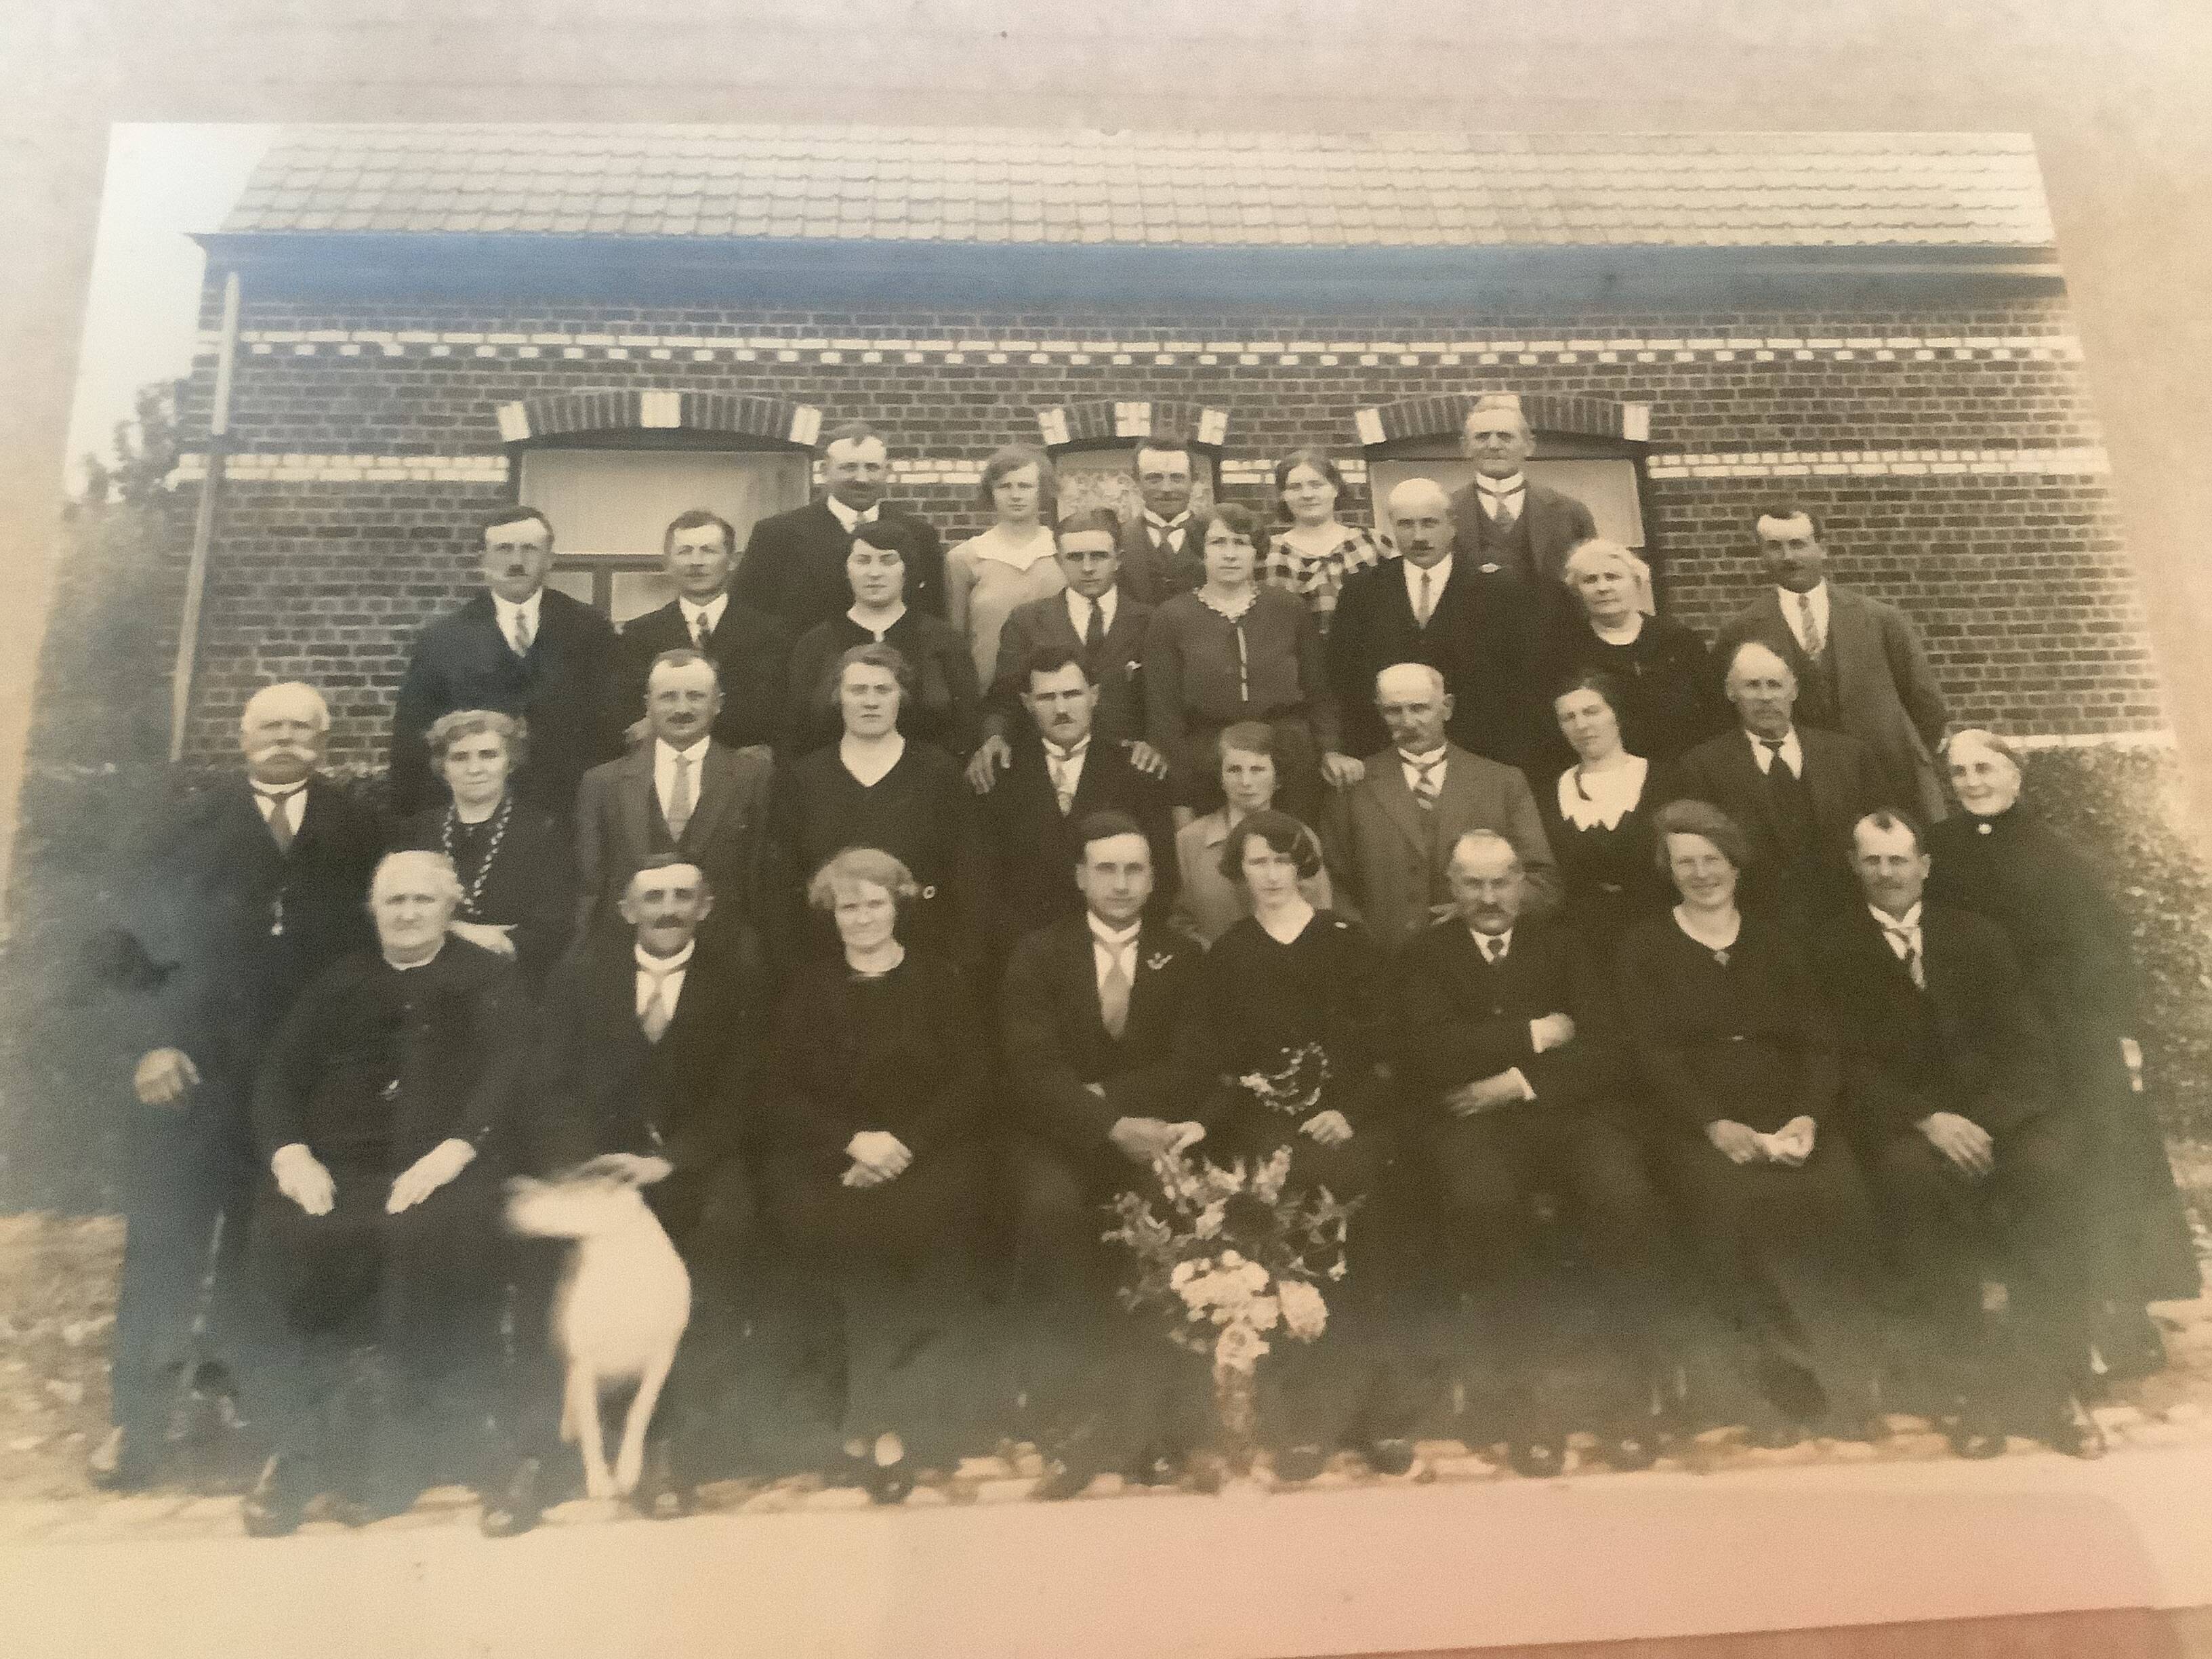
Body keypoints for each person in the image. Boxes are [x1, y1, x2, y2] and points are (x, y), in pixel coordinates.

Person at [94, 682, 381, 1492]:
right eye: (271, 728)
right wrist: (149, 1043)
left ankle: (265, 1421)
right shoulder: (184, 823)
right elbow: (123, 946)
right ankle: (136, 1426)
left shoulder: (360, 828)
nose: (286, 740)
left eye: (302, 728)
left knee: (277, 1250)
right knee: (168, 1248)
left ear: (323, 741)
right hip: (192, 1077)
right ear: (244, 738)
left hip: (299, 1087)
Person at [239, 851, 534, 1537]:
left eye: (422, 902)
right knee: (285, 1238)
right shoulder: (340, 981)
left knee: (425, 1242)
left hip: (445, 1166)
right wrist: (292, 1156)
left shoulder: (487, 977)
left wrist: (455, 1151)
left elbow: (508, 1073)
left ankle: (484, 1458)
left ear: (449, 907)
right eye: (393, 902)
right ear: (373, 910)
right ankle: (297, 1454)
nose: (406, 914)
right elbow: (278, 1078)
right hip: (339, 1171)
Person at [1816, 812, 2106, 1458]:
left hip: (1999, 1115)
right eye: (1873, 861)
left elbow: (2026, 1045)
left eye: (1899, 860)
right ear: (1854, 867)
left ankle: (2053, 1385)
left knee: (2053, 1173)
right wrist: (1928, 1119)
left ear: (1925, 865)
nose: (1887, 874)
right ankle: (1969, 1389)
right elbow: (1839, 1061)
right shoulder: (1830, 949)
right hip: (1904, 1123)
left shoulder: (1980, 937)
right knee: (1915, 1185)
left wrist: (1984, 1123)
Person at [1391, 830, 1675, 1477]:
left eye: (1501, 883)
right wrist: (1534, 1032)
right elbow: (1427, 1052)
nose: (1489, 898)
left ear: (1521, 883)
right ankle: (1521, 1407)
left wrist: (1513, 1080)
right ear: (1452, 888)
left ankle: (1626, 1403)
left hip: (1568, 1113)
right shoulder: (1424, 955)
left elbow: (1607, 1048)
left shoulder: (1565, 946)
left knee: (1625, 1198)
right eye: (1473, 884)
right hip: (1472, 1127)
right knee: (1483, 1207)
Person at [1616, 802, 1891, 1447]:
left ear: (1736, 866)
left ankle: (1844, 1384)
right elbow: (1651, 1053)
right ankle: (1766, 1390)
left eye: (1713, 860)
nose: (1702, 873)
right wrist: (1714, 1124)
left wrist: (1807, 1117)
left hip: (1792, 1115)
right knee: (1730, 1206)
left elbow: (1823, 1040)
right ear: (1669, 871)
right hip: (1699, 1124)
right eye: (1687, 863)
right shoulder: (1646, 946)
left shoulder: (1778, 938)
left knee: (1838, 1196)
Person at [1926, 729, 2198, 1374]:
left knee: (2101, 1161)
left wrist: (2112, 1035)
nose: (1972, 782)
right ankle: (2028, 1306)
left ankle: (2122, 1309)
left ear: (2015, 775)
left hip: (2068, 1037)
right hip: (1982, 1038)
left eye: (1984, 768)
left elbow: (2103, 954)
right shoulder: (1938, 851)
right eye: (1959, 772)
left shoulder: (2057, 856)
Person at [530, 857, 777, 1511]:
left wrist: (678, 1159)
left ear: (705, 906)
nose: (668, 909)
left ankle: (678, 1445)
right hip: (602, 1168)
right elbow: (550, 1086)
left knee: (729, 1232)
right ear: (626, 910)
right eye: (654, 897)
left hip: (694, 1162)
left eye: (682, 896)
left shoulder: (738, 983)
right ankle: (561, 1443)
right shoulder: (579, 977)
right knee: (557, 1253)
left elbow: (745, 1092)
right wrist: (595, 1167)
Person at [758, 848, 994, 1504]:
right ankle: (874, 1426)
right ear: (831, 915)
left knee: (920, 1224)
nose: (861, 918)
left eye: (874, 904)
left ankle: (880, 1428)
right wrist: (851, 1144)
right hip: (833, 1157)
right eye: (848, 907)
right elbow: (780, 1091)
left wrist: (902, 1144)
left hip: (926, 1152)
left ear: (900, 906)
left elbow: (972, 1081)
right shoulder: (805, 990)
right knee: (836, 1232)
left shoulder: (943, 981)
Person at [1179, 811, 1410, 1479]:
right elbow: (1222, 1063)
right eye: (1258, 862)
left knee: (1360, 1215)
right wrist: (1204, 1120)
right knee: (1270, 1222)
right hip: (1264, 1127)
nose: (1273, 875)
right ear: (1239, 871)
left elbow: (1386, 1049)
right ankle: (1306, 1421)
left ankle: (1378, 1417)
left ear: (1303, 866)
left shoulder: (1348, 940)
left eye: (1284, 861)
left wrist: (1349, 1110)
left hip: (1349, 1118)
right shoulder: (1230, 954)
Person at [1000, 813, 1208, 1494]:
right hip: (1057, 1137)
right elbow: (1029, 1069)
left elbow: (1190, 1066)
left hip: (1150, 1134)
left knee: (1160, 1231)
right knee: (1050, 1216)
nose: (1121, 884)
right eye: (1107, 869)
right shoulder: (1037, 954)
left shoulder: (1183, 957)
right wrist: (1105, 1122)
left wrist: (1114, 1101)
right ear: (1081, 876)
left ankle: (1146, 1427)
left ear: (1153, 878)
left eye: (1135, 870)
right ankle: (1069, 1425)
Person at [1715, 504, 1950, 823]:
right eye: (1775, 547)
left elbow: (1927, 705)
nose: (1788, 557)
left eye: (1798, 544)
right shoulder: (1741, 630)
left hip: (1887, 779)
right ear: (1761, 555)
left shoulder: (1880, 619)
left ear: (1821, 548)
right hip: (1800, 790)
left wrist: (1903, 756)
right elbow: (1729, 715)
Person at [389, 506, 623, 818]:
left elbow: (611, 732)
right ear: (483, 561)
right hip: (474, 815)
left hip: (568, 812)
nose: (516, 562)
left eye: (529, 550)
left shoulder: (590, 630)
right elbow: (412, 742)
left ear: (550, 559)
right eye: (503, 550)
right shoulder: (443, 639)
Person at [771, 644, 989, 975]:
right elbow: (782, 881)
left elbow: (968, 874)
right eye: (857, 690)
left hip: (924, 959)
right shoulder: (803, 778)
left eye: (883, 690)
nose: (870, 702)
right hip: (825, 964)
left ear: (900, 697)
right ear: (837, 697)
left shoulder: (939, 772)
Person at [1143, 501, 1356, 826]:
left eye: (1240, 544)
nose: (1230, 554)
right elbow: (1164, 712)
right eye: (1218, 543)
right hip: (1209, 759)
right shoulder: (1171, 617)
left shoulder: (1288, 608)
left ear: (1256, 552)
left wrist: (1329, 749)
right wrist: (1182, 788)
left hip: (1287, 755)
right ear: (1201, 551)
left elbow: (1318, 691)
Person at [1326, 663, 1559, 955]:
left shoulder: (1501, 782)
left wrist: (1480, 905)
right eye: (1393, 711)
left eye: (1420, 708)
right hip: (1383, 962)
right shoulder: (1354, 787)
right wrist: (1362, 940)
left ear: (1446, 707)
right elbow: (1330, 882)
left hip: (1476, 958)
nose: (1408, 722)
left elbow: (1543, 882)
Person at [1669, 640, 1891, 935]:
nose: (1765, 697)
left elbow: (1884, 833)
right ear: (1730, 692)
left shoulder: (1849, 756)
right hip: (1757, 928)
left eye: (1774, 685)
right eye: (1751, 686)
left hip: (1848, 923)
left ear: (1794, 690)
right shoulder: (1702, 768)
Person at [977, 649, 1176, 954]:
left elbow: (1162, 875)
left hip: (1117, 947)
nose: (1061, 709)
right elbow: (984, 883)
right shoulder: (1000, 776)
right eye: (1046, 698)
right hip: (1024, 950)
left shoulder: (1138, 772)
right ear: (1027, 703)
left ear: (1094, 696)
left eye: (1072, 695)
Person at [1328, 476, 1535, 767]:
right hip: (1384, 753)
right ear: (1392, 527)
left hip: (1480, 751)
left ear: (1452, 525)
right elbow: (1342, 679)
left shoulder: (1497, 591)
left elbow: (1519, 679)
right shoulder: (1362, 592)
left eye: (1429, 523)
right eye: (1406, 525)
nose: (1418, 536)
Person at [572, 651, 773, 945]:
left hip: (725, 952)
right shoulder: (602, 783)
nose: (682, 709)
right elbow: (591, 886)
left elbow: (760, 880)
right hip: (627, 953)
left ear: (718, 703)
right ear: (648, 706)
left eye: (696, 696)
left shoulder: (753, 777)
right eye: (668, 697)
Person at [390, 709, 575, 989]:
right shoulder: (418, 832)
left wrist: (441, 929)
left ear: (510, 762)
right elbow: (394, 915)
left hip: (514, 985)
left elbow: (552, 929)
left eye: (488, 755)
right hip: (428, 985)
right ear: (443, 767)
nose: (474, 769)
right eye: (460, 757)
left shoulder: (541, 830)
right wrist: (475, 933)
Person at [972, 508, 1155, 777]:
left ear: (1119, 560)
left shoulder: (1150, 620)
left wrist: (1154, 744)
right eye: (1075, 557)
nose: (1088, 568)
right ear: (1059, 561)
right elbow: (1004, 698)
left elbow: (1164, 702)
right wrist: (994, 737)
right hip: (1049, 766)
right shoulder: (1027, 621)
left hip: (1128, 766)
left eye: (1099, 556)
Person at [786, 518, 981, 758]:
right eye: (863, 561)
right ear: (846, 570)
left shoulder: (943, 640)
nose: (875, 573)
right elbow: (797, 731)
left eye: (888, 561)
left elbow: (967, 724)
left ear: (906, 569)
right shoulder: (816, 644)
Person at [734, 419, 947, 632]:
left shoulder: (919, 535)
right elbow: (748, 618)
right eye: (849, 468)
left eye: (872, 468)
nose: (862, 479)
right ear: (825, 471)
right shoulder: (777, 535)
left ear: (887, 471)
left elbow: (934, 616)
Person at [612, 509, 793, 755]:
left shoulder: (770, 632)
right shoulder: (640, 634)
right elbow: (630, 714)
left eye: (708, 551)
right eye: (685, 551)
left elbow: (770, 711)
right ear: (667, 563)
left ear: (731, 561)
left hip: (742, 769)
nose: (696, 562)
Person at [1540, 539, 1726, 767]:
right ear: (1578, 591)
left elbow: (1716, 713)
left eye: (1613, 577)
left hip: (1684, 773)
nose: (1603, 587)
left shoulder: (1678, 639)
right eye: (1590, 580)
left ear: (1637, 583)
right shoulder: (1564, 649)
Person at [1540, 671, 1676, 964]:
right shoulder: (1551, 792)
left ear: (1617, 714)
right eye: (1568, 717)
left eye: (1592, 712)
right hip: (1577, 948)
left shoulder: (1665, 780)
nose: (1582, 725)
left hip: (1658, 939)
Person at [1172, 722, 1336, 946]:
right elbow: (1182, 922)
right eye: (1234, 770)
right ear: (1221, 777)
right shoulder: (1190, 840)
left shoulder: (1301, 836)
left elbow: (1319, 918)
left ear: (1277, 778)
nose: (1246, 782)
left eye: (1257, 770)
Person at [1447, 392, 1598, 592]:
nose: (1493, 445)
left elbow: (1594, 580)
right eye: (1482, 437)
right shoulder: (1442, 512)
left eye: (1505, 436)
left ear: (1529, 446)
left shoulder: (1571, 513)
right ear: (1465, 447)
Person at [945, 444, 1065, 687]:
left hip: (1056, 688)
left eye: (1025, 486)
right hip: (989, 693)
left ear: (1041, 491)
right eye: (1005, 486)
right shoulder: (965, 558)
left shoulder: (1062, 551)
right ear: (991, 492)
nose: (1016, 495)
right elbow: (956, 641)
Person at [1258, 447, 1384, 636]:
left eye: (1316, 484)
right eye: (1295, 487)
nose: (1307, 495)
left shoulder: (1373, 544)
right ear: (1283, 496)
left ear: (1335, 488)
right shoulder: (1267, 553)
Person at [1115, 436, 1207, 602]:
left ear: (1194, 480)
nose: (1166, 489)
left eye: (1177, 478)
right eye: (1154, 478)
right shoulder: (1118, 538)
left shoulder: (1212, 536)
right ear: (1136, 481)